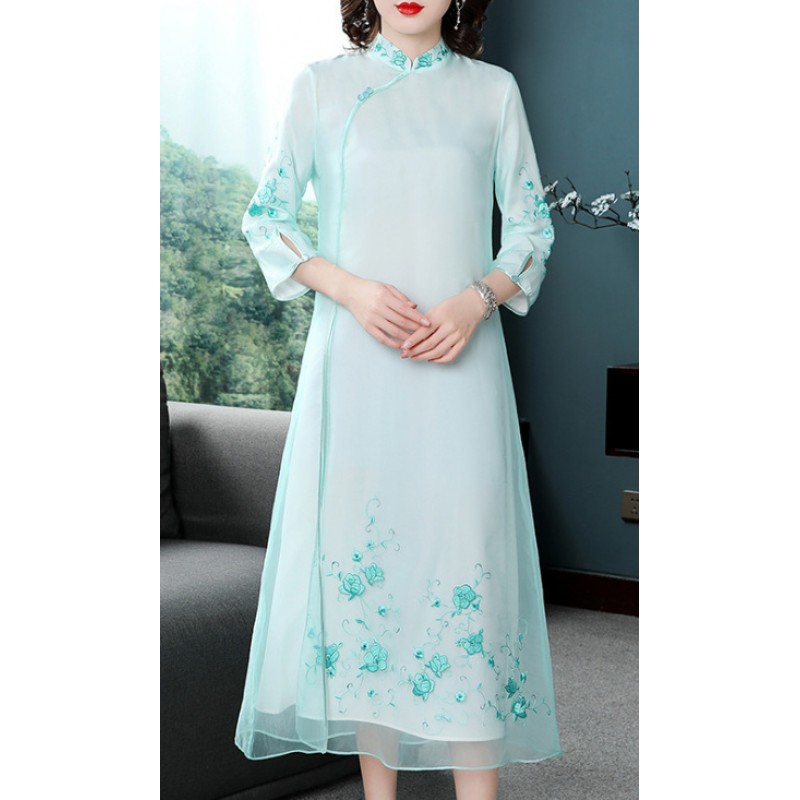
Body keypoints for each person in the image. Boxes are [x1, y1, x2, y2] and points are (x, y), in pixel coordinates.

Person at [234, 1, 562, 798]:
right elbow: (267, 219)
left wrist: (475, 301)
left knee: (468, 573)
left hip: (463, 375)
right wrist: (350, 290)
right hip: (357, 377)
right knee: (368, 588)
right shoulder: (320, 86)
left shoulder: (493, 92)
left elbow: (532, 229)